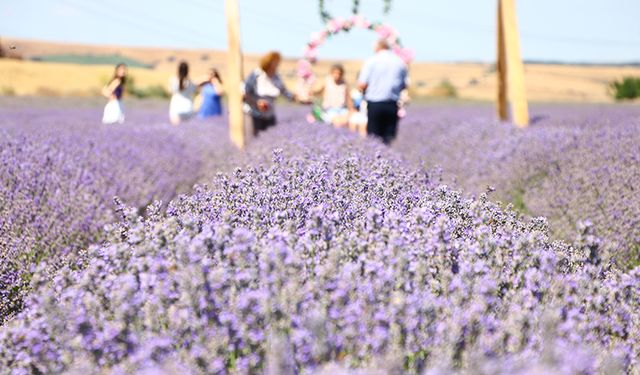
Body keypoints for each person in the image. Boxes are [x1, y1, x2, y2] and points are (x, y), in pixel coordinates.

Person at [358, 39, 408, 144]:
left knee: (373, 137)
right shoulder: (399, 62)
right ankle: (388, 158)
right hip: (392, 103)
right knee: (388, 138)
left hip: (374, 104)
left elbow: (362, 84)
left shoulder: (371, 61)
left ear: (377, 47)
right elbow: (404, 85)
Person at [244, 51, 296, 136]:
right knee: (256, 139)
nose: (276, 65)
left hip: (270, 114)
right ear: (268, 62)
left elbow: (284, 92)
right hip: (254, 113)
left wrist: (298, 98)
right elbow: (246, 93)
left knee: (271, 138)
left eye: (277, 63)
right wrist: (257, 102)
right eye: (274, 63)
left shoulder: (276, 76)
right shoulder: (256, 74)